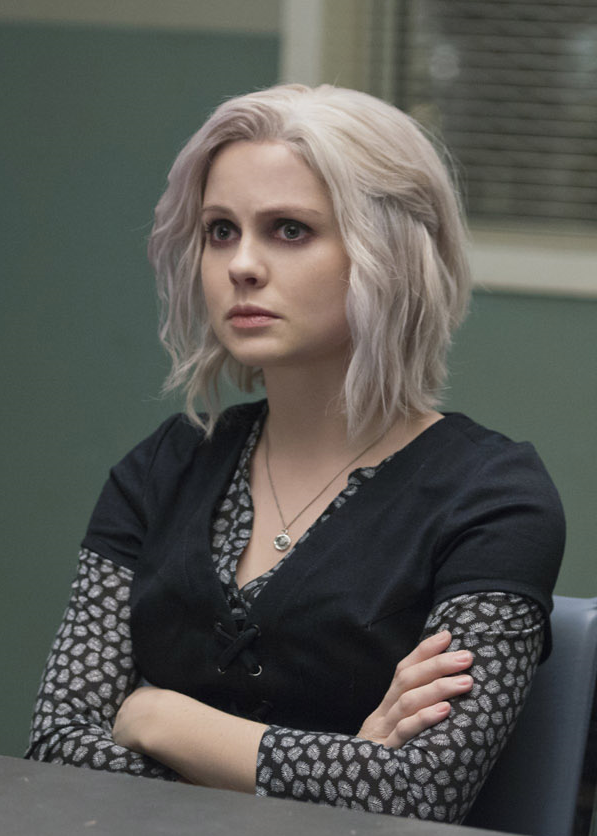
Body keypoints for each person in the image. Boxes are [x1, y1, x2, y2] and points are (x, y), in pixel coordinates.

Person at [26, 84, 564, 823]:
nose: (241, 265)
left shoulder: (493, 498)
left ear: (387, 254)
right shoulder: (162, 468)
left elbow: (419, 791)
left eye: (288, 230)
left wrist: (157, 717)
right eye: (220, 231)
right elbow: (57, 745)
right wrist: (342, 765)